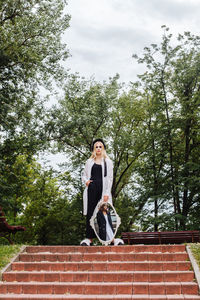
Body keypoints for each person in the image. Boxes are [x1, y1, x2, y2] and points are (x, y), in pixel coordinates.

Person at [80, 138, 113, 246]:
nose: (98, 148)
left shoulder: (107, 162)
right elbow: (84, 175)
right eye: (96, 147)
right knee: (90, 213)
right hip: (92, 189)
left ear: (103, 148)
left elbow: (110, 178)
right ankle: (89, 239)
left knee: (104, 211)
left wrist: (107, 193)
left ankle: (108, 238)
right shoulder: (89, 162)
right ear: (94, 149)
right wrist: (87, 182)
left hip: (103, 189)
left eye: (100, 146)